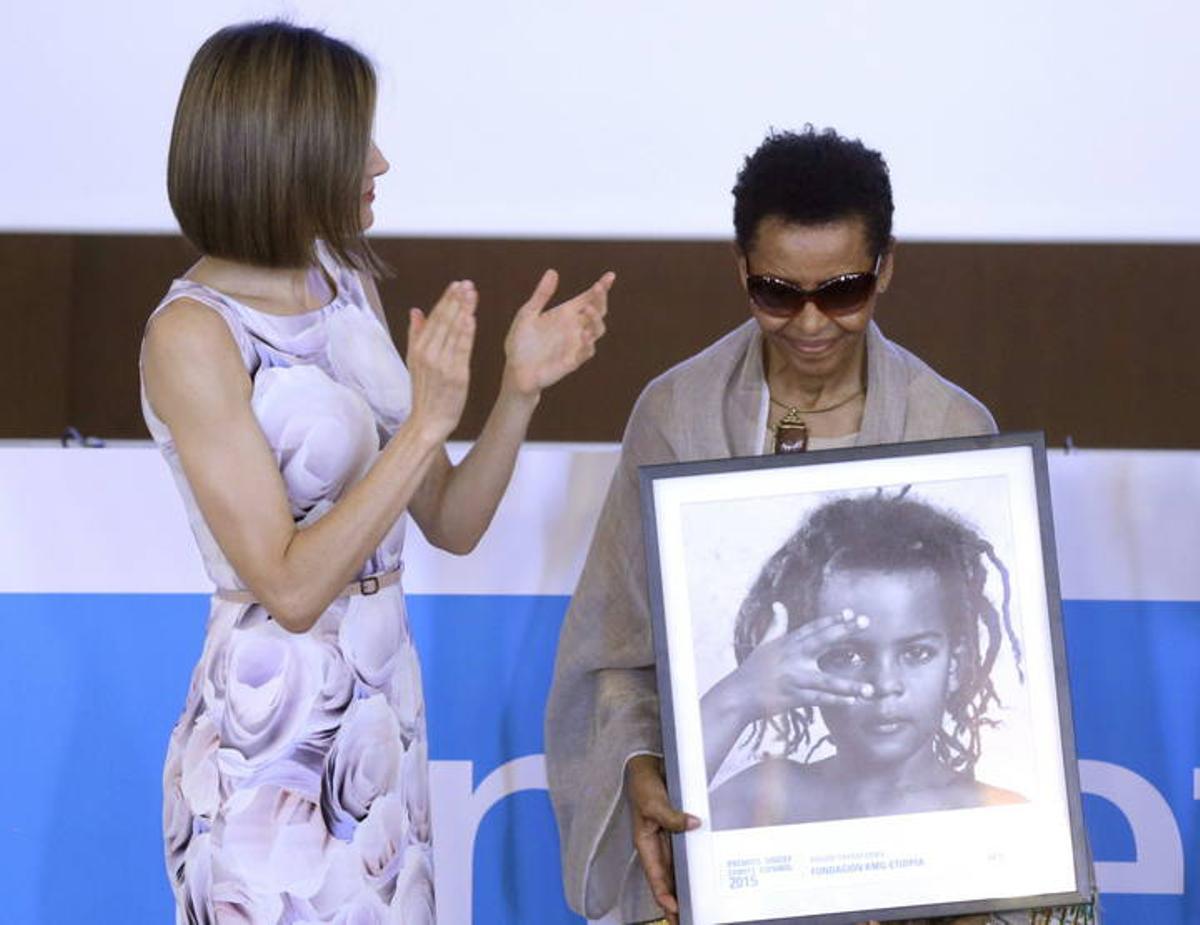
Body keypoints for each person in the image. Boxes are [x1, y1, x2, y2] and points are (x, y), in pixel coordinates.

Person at [544, 127, 1095, 925]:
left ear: (885, 268)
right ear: (741, 269)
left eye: (841, 292)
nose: (809, 322)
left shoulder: (951, 427)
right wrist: (638, 764)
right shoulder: (676, 415)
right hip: (738, 872)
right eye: (776, 292)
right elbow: (615, 655)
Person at [141, 21, 612, 922]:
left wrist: (517, 390)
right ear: (288, 148)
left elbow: (453, 521)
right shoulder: (191, 333)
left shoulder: (343, 282)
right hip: (269, 744)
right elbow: (288, 587)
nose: (381, 161)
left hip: (382, 715)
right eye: (358, 139)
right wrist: (424, 423)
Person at [704, 490, 1027, 830]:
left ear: (955, 667)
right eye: (848, 655)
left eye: (916, 653)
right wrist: (736, 697)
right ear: (806, 666)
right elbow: (668, 827)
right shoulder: (760, 800)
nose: (884, 684)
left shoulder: (1002, 818)